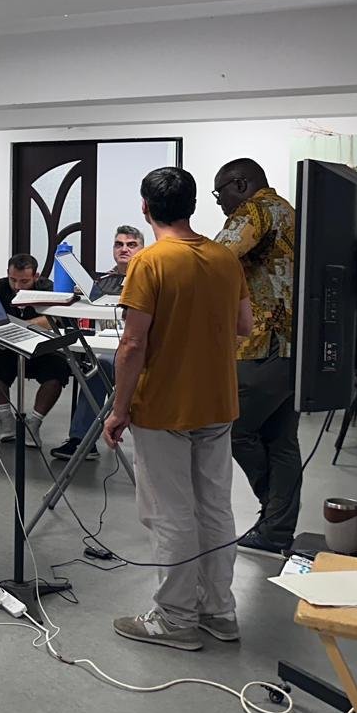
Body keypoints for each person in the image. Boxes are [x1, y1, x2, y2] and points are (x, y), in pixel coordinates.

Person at [104, 167, 251, 651]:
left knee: (170, 513)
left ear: (146, 208)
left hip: (165, 406)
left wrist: (119, 409)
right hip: (218, 402)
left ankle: (175, 618)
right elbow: (244, 325)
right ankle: (219, 611)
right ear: (193, 205)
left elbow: (132, 345)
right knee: (215, 508)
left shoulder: (150, 262)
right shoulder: (225, 258)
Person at [213, 158, 299, 555]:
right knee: (280, 440)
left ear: (240, 184)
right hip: (291, 346)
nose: (220, 203)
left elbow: (213, 259)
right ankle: (276, 530)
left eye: (220, 193)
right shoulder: (287, 210)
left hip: (262, 344)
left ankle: (272, 514)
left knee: (234, 428)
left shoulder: (255, 211)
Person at [54, 225, 144, 462]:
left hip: (142, 353)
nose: (124, 249)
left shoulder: (149, 278)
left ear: (142, 249)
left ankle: (148, 446)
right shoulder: (102, 283)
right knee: (98, 366)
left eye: (131, 245)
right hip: (107, 349)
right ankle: (81, 441)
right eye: (119, 244)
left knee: (104, 364)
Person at [0, 254, 73, 448]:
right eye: (13, 279)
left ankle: (34, 423)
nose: (17, 286)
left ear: (36, 276)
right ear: (7, 274)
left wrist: (20, 326)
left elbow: (54, 318)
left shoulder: (48, 289)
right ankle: (6, 417)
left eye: (24, 281)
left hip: (42, 349)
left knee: (58, 371)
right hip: (9, 348)